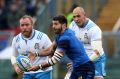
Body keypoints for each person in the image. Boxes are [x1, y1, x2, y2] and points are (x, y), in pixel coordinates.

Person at [28, 15, 95, 79]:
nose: (53, 26)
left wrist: (39, 66)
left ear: (63, 25)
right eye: (53, 24)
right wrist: (36, 54)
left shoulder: (65, 38)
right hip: (77, 66)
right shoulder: (60, 34)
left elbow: (55, 59)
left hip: (85, 67)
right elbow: (51, 50)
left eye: (56, 24)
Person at [65, 7, 106, 79]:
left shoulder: (94, 29)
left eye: (78, 16)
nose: (76, 19)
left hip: (96, 59)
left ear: (84, 15)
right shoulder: (73, 25)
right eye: (74, 17)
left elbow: (97, 53)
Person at [11, 15, 53, 79]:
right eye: (22, 25)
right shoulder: (16, 39)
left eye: (27, 25)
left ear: (32, 25)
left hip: (43, 71)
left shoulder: (42, 37)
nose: (24, 27)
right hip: (27, 73)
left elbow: (52, 50)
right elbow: (13, 56)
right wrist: (15, 67)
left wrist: (48, 64)